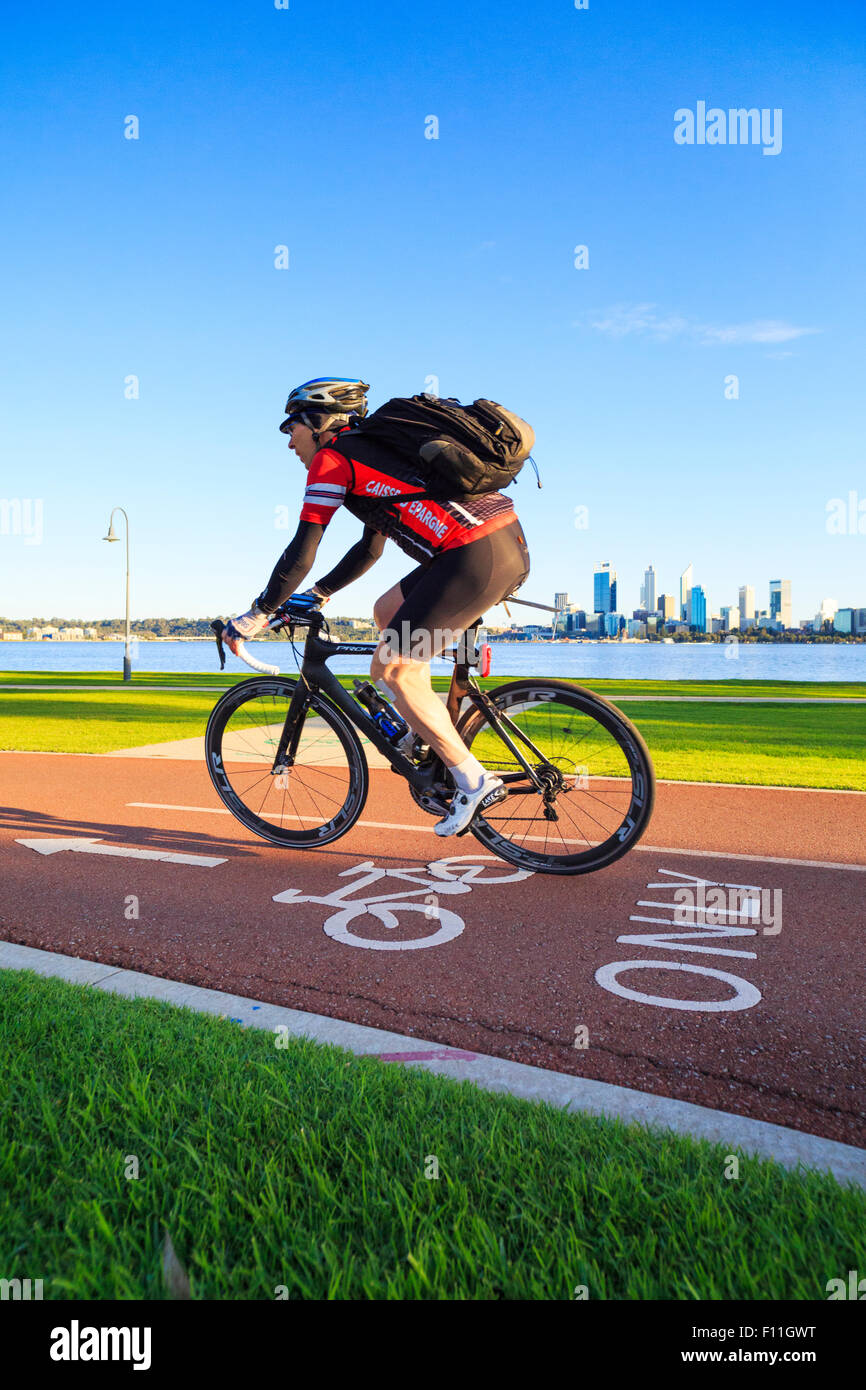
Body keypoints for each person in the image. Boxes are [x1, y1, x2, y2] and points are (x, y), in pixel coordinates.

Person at [224, 377, 531, 836]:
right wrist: (323, 593)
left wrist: (258, 611)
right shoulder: (372, 453)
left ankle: (473, 780)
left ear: (317, 423)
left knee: (390, 670)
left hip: (470, 556)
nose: (289, 440)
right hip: (499, 545)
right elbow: (370, 548)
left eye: (291, 427)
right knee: (388, 611)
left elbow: (302, 548)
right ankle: (421, 727)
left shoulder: (333, 460)